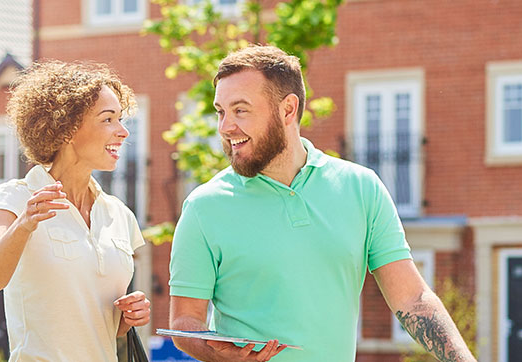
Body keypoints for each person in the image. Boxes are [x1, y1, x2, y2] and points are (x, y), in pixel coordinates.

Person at [167, 45, 475, 362]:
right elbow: (184, 322)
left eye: (240, 110)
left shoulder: (361, 188)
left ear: (288, 110)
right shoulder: (204, 207)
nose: (224, 127)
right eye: (221, 112)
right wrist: (220, 356)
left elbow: (412, 298)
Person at [0, 60, 151, 361]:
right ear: (67, 128)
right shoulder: (16, 197)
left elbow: (102, 326)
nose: (123, 132)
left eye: (121, 119)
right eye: (108, 119)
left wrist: (129, 316)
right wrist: (25, 224)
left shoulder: (119, 214)